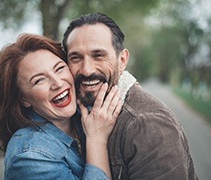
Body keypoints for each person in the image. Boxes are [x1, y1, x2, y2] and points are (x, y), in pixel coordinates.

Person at [62, 13, 198, 179]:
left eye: (98, 56)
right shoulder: (75, 112)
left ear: (122, 60)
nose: (87, 70)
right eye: (76, 58)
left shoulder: (148, 124)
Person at [0, 33, 123, 179]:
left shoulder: (82, 111)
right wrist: (96, 140)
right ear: (23, 99)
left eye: (59, 69)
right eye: (39, 80)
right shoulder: (29, 156)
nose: (58, 83)